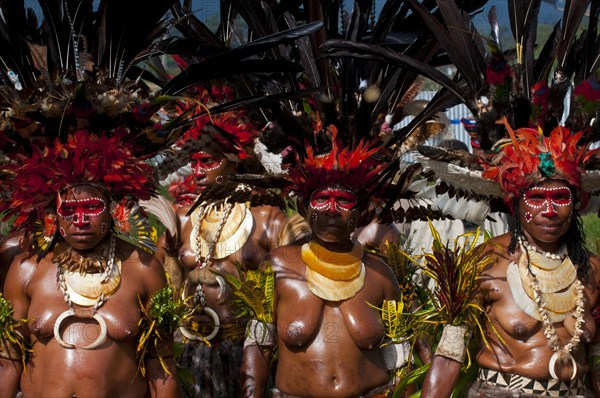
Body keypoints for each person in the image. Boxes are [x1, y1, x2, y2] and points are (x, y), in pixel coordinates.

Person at [421, 121, 600, 397]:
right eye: (537, 198)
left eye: (560, 198)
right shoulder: (486, 262)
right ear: (516, 203)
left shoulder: (591, 268)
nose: (549, 211)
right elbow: (449, 353)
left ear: (575, 203)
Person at [241, 133, 428, 398]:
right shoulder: (278, 266)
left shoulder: (381, 274)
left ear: (359, 213)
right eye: (322, 199)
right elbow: (258, 345)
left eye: (343, 201)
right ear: (306, 207)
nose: (332, 210)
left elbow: (400, 359)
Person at [0, 132, 181, 398]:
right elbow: (7, 363)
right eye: (69, 211)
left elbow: (161, 367)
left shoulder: (143, 269)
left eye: (92, 207)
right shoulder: (26, 269)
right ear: (53, 216)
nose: (81, 220)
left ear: (114, 209)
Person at [159, 85, 309, 398]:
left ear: (234, 161)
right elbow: (160, 290)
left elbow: (297, 287)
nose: (198, 171)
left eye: (207, 162)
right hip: (189, 350)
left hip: (249, 354)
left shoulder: (270, 219)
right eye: (195, 162)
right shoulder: (180, 219)